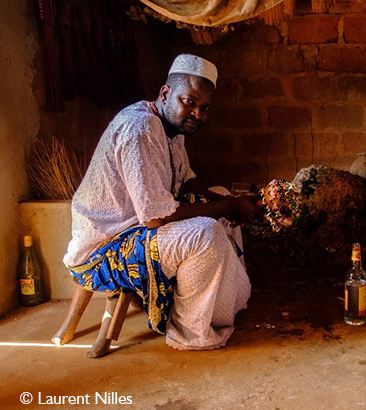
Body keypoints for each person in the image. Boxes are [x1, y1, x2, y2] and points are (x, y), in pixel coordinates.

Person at [64, 54, 264, 351]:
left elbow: (186, 183)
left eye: (205, 108)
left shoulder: (171, 127)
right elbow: (155, 218)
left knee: (220, 193)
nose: (197, 114)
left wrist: (228, 200)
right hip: (105, 245)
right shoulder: (140, 128)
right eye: (189, 102)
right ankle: (189, 329)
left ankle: (223, 306)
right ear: (166, 93)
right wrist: (229, 207)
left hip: (137, 225)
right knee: (206, 232)